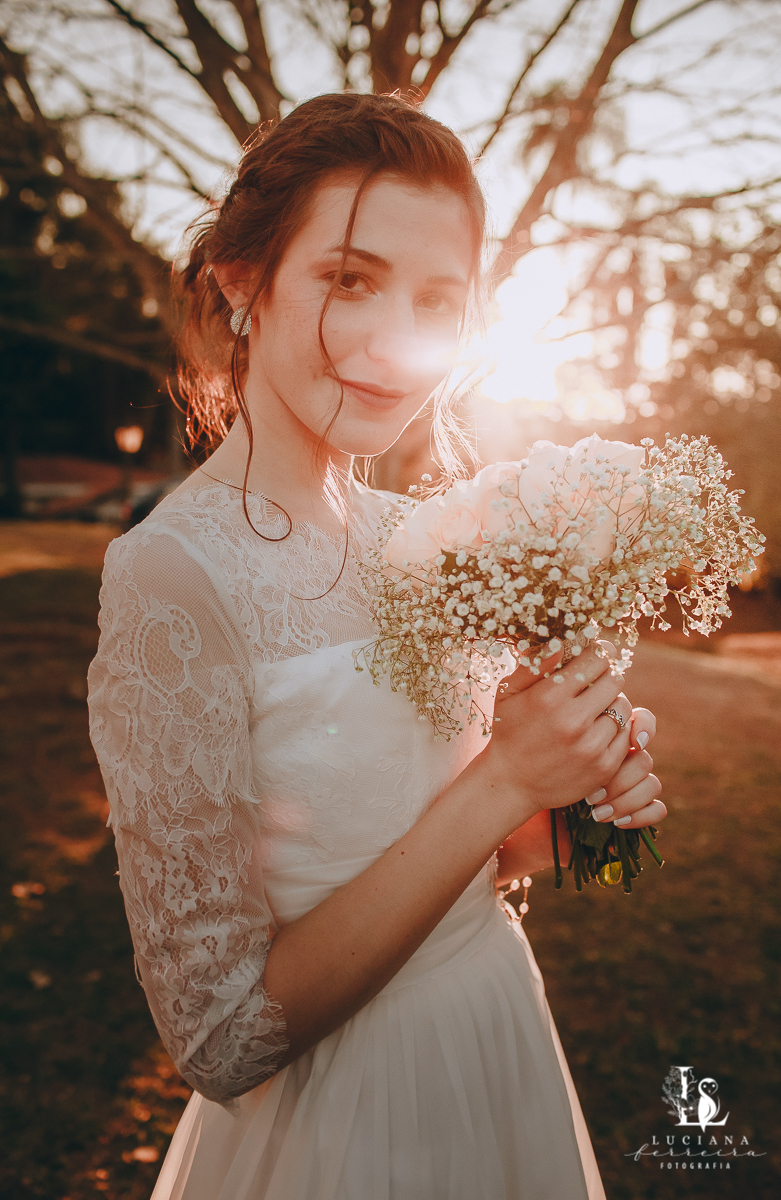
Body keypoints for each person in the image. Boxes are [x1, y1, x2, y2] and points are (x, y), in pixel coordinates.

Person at [87, 92, 665, 1200]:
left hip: (496, 1041)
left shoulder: (424, 538)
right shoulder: (171, 577)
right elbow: (219, 1037)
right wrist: (504, 779)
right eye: (350, 280)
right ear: (242, 281)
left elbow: (467, 852)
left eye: (438, 299)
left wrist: (567, 791)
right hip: (342, 1126)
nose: (399, 343)